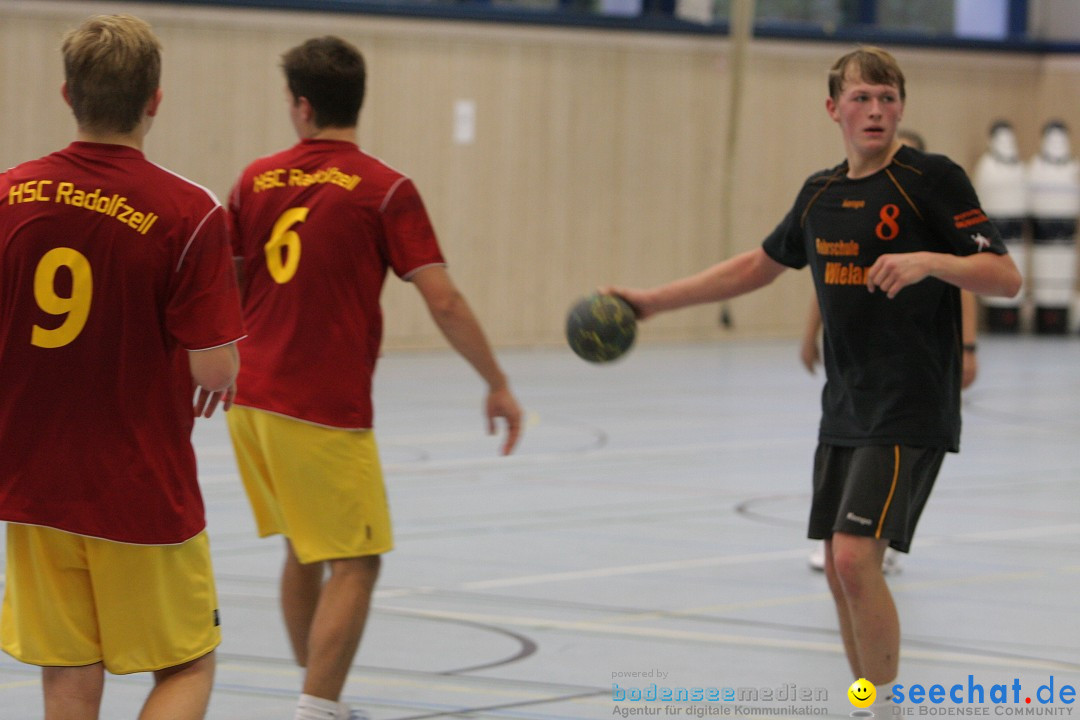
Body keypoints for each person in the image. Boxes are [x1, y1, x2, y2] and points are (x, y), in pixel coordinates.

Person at [605, 46, 1020, 692]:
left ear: (901, 106)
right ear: (834, 109)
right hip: (846, 406)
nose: (876, 110)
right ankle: (868, 701)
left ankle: (884, 710)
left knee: (855, 560)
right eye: (861, 98)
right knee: (837, 568)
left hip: (910, 403)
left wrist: (929, 261)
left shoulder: (932, 179)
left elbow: (1006, 276)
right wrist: (652, 303)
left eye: (887, 98)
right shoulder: (820, 195)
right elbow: (756, 266)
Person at [226, 35, 523, 720]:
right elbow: (442, 299)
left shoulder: (254, 180)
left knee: (306, 551)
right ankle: (317, 707)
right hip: (320, 406)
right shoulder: (384, 188)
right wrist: (496, 380)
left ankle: (315, 693)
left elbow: (228, 283)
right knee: (358, 564)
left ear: (301, 106)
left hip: (251, 398)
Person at [0, 14, 244, 720]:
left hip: (33, 481)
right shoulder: (188, 211)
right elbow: (213, 369)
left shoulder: (9, 194)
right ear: (155, 100)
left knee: (68, 677)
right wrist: (224, 363)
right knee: (188, 665)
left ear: (67, 94)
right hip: (138, 486)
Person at [801, 128, 980, 574]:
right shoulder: (839, 201)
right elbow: (826, 278)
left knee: (857, 550)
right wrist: (809, 334)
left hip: (908, 384)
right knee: (842, 557)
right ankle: (864, 543)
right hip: (855, 386)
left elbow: (971, 285)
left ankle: (881, 544)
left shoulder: (931, 204)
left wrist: (969, 348)